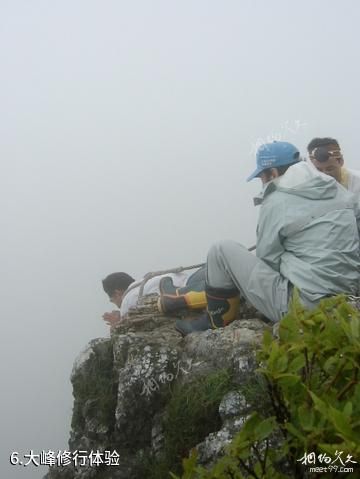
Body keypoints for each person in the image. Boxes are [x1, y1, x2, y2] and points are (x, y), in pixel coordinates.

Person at [176, 141, 360, 335]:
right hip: (347, 301)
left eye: (262, 177)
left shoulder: (276, 201)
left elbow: (268, 260)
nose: (262, 183)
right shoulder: (337, 189)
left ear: (272, 173)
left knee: (220, 249)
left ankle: (215, 322)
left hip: (306, 308)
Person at [102, 267, 206, 327]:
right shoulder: (146, 282)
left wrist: (117, 324)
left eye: (113, 300)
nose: (117, 306)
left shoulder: (127, 301)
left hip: (193, 291)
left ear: (117, 293)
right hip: (194, 277)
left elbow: (129, 328)